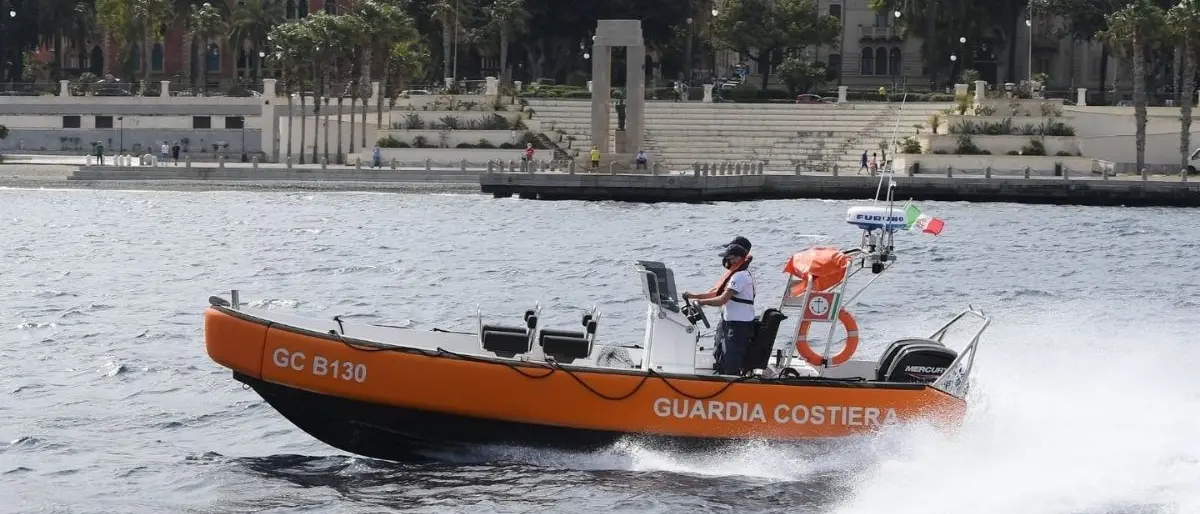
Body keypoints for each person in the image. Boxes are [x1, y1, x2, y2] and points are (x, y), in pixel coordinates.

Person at [682, 238, 756, 375]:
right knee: (720, 354)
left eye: (729, 258)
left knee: (731, 361)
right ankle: (721, 376)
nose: (726, 261)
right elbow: (716, 293)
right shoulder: (736, 274)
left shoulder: (740, 276)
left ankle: (732, 381)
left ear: (738, 259)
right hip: (730, 323)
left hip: (738, 326)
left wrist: (702, 302)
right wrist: (694, 296)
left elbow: (722, 299)